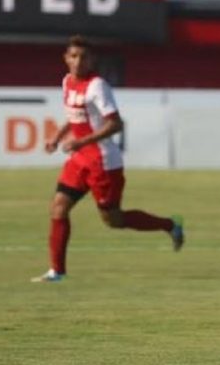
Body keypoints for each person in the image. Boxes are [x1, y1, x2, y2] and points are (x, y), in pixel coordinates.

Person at [31, 35, 184, 283]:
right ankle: (57, 272)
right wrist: (57, 137)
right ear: (66, 58)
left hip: (102, 163)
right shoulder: (67, 81)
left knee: (114, 220)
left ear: (92, 60)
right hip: (79, 160)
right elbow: (75, 116)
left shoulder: (97, 86)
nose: (78, 61)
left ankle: (170, 225)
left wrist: (80, 142)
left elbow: (115, 124)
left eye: (84, 57)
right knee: (58, 207)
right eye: (74, 56)